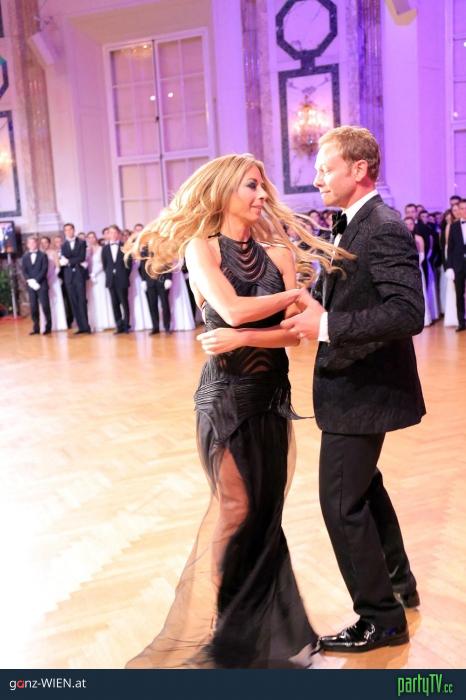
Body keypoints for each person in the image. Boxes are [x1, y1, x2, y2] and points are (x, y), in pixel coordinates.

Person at [124, 153, 346, 669]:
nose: (262, 195)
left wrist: (245, 336)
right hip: (224, 399)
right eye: (251, 186)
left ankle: (269, 630)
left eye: (263, 187)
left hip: (271, 398)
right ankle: (229, 629)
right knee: (236, 508)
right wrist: (289, 299)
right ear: (224, 190)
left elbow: (292, 336)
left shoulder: (279, 254)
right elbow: (232, 309)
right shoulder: (200, 248)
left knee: (265, 512)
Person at [282, 126, 425, 653]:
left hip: (363, 390)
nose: (316, 178)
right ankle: (399, 585)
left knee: (341, 503)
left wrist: (326, 326)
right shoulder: (354, 224)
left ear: (359, 169)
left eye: (326, 168)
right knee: (364, 490)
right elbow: (352, 300)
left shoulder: (381, 226)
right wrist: (313, 307)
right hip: (355, 386)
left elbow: (408, 312)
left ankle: (381, 620)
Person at [60, 223, 91, 334]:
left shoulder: (82, 243)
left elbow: (81, 257)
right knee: (73, 301)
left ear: (74, 230)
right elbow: (64, 258)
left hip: (79, 274)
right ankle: (80, 327)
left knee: (82, 300)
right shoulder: (63, 245)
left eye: (70, 229)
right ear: (65, 232)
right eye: (66, 230)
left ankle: (86, 326)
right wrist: (71, 260)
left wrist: (69, 261)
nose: (68, 232)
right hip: (68, 276)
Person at [101, 224, 131, 334]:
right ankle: (119, 326)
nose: (113, 234)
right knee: (114, 304)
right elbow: (105, 265)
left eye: (115, 232)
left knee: (124, 303)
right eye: (111, 232)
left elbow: (128, 264)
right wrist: (110, 274)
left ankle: (126, 325)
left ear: (118, 234)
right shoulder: (105, 249)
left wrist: (123, 274)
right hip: (111, 280)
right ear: (108, 234)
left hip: (122, 279)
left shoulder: (125, 246)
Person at [21, 235, 52, 335]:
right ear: (27, 245)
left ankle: (48, 327)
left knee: (45, 306)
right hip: (31, 285)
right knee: (33, 307)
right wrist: (30, 281)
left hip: (41, 284)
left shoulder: (43, 255)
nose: (32, 244)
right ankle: (36, 328)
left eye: (33, 242)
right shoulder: (25, 257)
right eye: (30, 243)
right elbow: (24, 270)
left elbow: (44, 269)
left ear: (37, 243)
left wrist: (36, 281)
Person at [446, 198, 466, 332]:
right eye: (462, 208)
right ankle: (461, 322)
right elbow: (450, 249)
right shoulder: (454, 227)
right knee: (459, 295)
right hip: (458, 266)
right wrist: (449, 267)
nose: (464, 211)